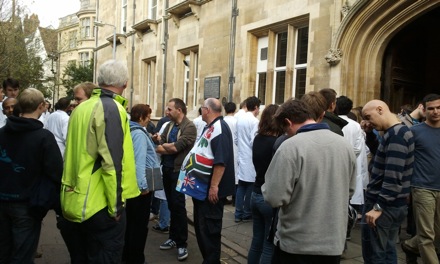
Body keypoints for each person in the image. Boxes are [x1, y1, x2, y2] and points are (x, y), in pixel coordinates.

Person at [60, 60, 140, 263]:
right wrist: (116, 206)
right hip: (100, 205)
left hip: (77, 200)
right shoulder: (111, 108)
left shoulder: (81, 108)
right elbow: (112, 163)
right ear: (125, 83)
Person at [262, 99, 356, 263]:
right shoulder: (345, 145)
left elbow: (274, 197)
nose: (286, 134)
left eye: (285, 129)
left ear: (288, 122)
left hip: (297, 244)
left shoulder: (290, 147)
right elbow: (350, 190)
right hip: (333, 244)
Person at [0, 88, 63, 264]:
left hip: (3, 199)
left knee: (4, 251)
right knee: (22, 254)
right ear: (41, 106)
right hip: (27, 203)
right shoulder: (43, 137)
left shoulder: (2, 133)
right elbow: (56, 171)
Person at [179, 98, 235, 263]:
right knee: (202, 229)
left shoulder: (220, 128)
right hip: (201, 190)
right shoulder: (211, 126)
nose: (200, 110)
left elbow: (220, 161)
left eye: (202, 107)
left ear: (208, 110)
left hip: (210, 192)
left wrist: (214, 187)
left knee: (209, 231)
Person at [361, 99, 414, 264]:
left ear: (380, 109)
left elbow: (393, 176)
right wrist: (370, 134)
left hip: (384, 206)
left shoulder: (397, 136)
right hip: (391, 205)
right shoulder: (393, 133)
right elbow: (380, 155)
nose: (367, 122)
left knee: (376, 255)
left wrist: (378, 206)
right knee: (387, 250)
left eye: (369, 117)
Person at [153, 98, 196, 261]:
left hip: (180, 171)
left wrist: (166, 147)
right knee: (171, 204)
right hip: (168, 169)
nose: (166, 111)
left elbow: (176, 147)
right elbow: (160, 144)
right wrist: (166, 147)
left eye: (170, 109)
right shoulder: (170, 125)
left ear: (179, 110)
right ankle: (173, 237)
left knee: (178, 206)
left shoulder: (189, 127)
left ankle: (182, 243)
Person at [401, 93, 440, 264]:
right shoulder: (414, 132)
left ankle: (410, 244)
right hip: (422, 187)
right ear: (423, 110)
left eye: (438, 108)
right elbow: (406, 161)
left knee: (436, 233)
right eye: (431, 108)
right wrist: (406, 187)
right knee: (426, 236)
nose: (435, 112)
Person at [248, 104, 282, 264]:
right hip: (268, 197)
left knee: (256, 241)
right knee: (269, 245)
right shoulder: (277, 143)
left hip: (255, 193)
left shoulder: (258, 138)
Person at [122, 104, 157, 264]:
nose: (149, 120)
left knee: (132, 225)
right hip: (141, 188)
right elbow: (139, 161)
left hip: (136, 184)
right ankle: (135, 258)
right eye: (148, 116)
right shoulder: (138, 134)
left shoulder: (132, 129)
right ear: (141, 117)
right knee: (138, 226)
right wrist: (143, 186)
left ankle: (130, 256)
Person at [234, 96, 260, 223]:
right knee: (250, 185)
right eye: (258, 108)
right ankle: (246, 212)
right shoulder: (254, 122)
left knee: (241, 186)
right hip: (250, 157)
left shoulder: (240, 119)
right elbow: (254, 141)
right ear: (255, 107)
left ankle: (238, 213)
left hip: (241, 155)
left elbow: (236, 139)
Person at [223, 102, 238, 205]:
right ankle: (234, 197)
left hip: (225, 147)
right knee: (235, 172)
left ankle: (223, 196)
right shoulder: (236, 121)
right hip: (235, 148)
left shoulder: (222, 121)